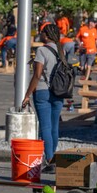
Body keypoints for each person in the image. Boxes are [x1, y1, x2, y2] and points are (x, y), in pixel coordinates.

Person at [21, 23, 66, 173]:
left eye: (42, 33)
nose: (40, 35)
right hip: (59, 92)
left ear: (46, 35)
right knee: (54, 126)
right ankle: (53, 160)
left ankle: (50, 160)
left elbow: (37, 75)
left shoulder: (41, 50)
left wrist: (27, 95)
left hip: (42, 91)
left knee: (45, 127)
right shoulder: (61, 50)